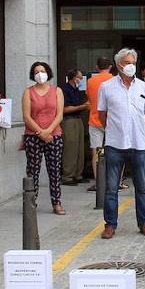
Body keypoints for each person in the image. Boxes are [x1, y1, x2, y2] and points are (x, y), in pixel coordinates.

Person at [97, 47, 145, 238]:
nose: (130, 66)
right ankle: (110, 225)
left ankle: (144, 223)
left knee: (142, 187)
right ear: (118, 64)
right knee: (111, 188)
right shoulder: (106, 87)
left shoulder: (144, 87)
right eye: (127, 62)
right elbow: (102, 115)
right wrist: (116, 127)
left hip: (139, 144)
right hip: (115, 143)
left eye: (133, 62)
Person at [22, 61, 65, 216]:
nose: (40, 74)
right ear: (33, 75)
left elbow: (59, 115)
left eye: (42, 71)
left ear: (48, 72)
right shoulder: (28, 92)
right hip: (33, 136)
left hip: (54, 135)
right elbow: (27, 117)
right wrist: (41, 132)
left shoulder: (56, 91)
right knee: (32, 171)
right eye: (36, 72)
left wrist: (49, 131)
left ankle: (57, 202)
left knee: (54, 170)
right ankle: (30, 202)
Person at [85, 56, 114, 193]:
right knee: (115, 151)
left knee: (96, 151)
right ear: (110, 67)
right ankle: (116, 182)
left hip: (94, 119)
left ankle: (98, 183)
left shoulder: (90, 81)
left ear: (97, 67)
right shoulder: (115, 80)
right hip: (112, 120)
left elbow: (89, 98)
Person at [61, 69, 89, 185]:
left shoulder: (76, 89)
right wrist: (82, 107)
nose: (81, 80)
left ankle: (78, 174)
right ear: (74, 78)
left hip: (78, 119)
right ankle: (68, 175)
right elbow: (65, 109)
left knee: (79, 148)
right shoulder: (65, 90)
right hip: (69, 120)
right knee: (70, 148)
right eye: (79, 77)